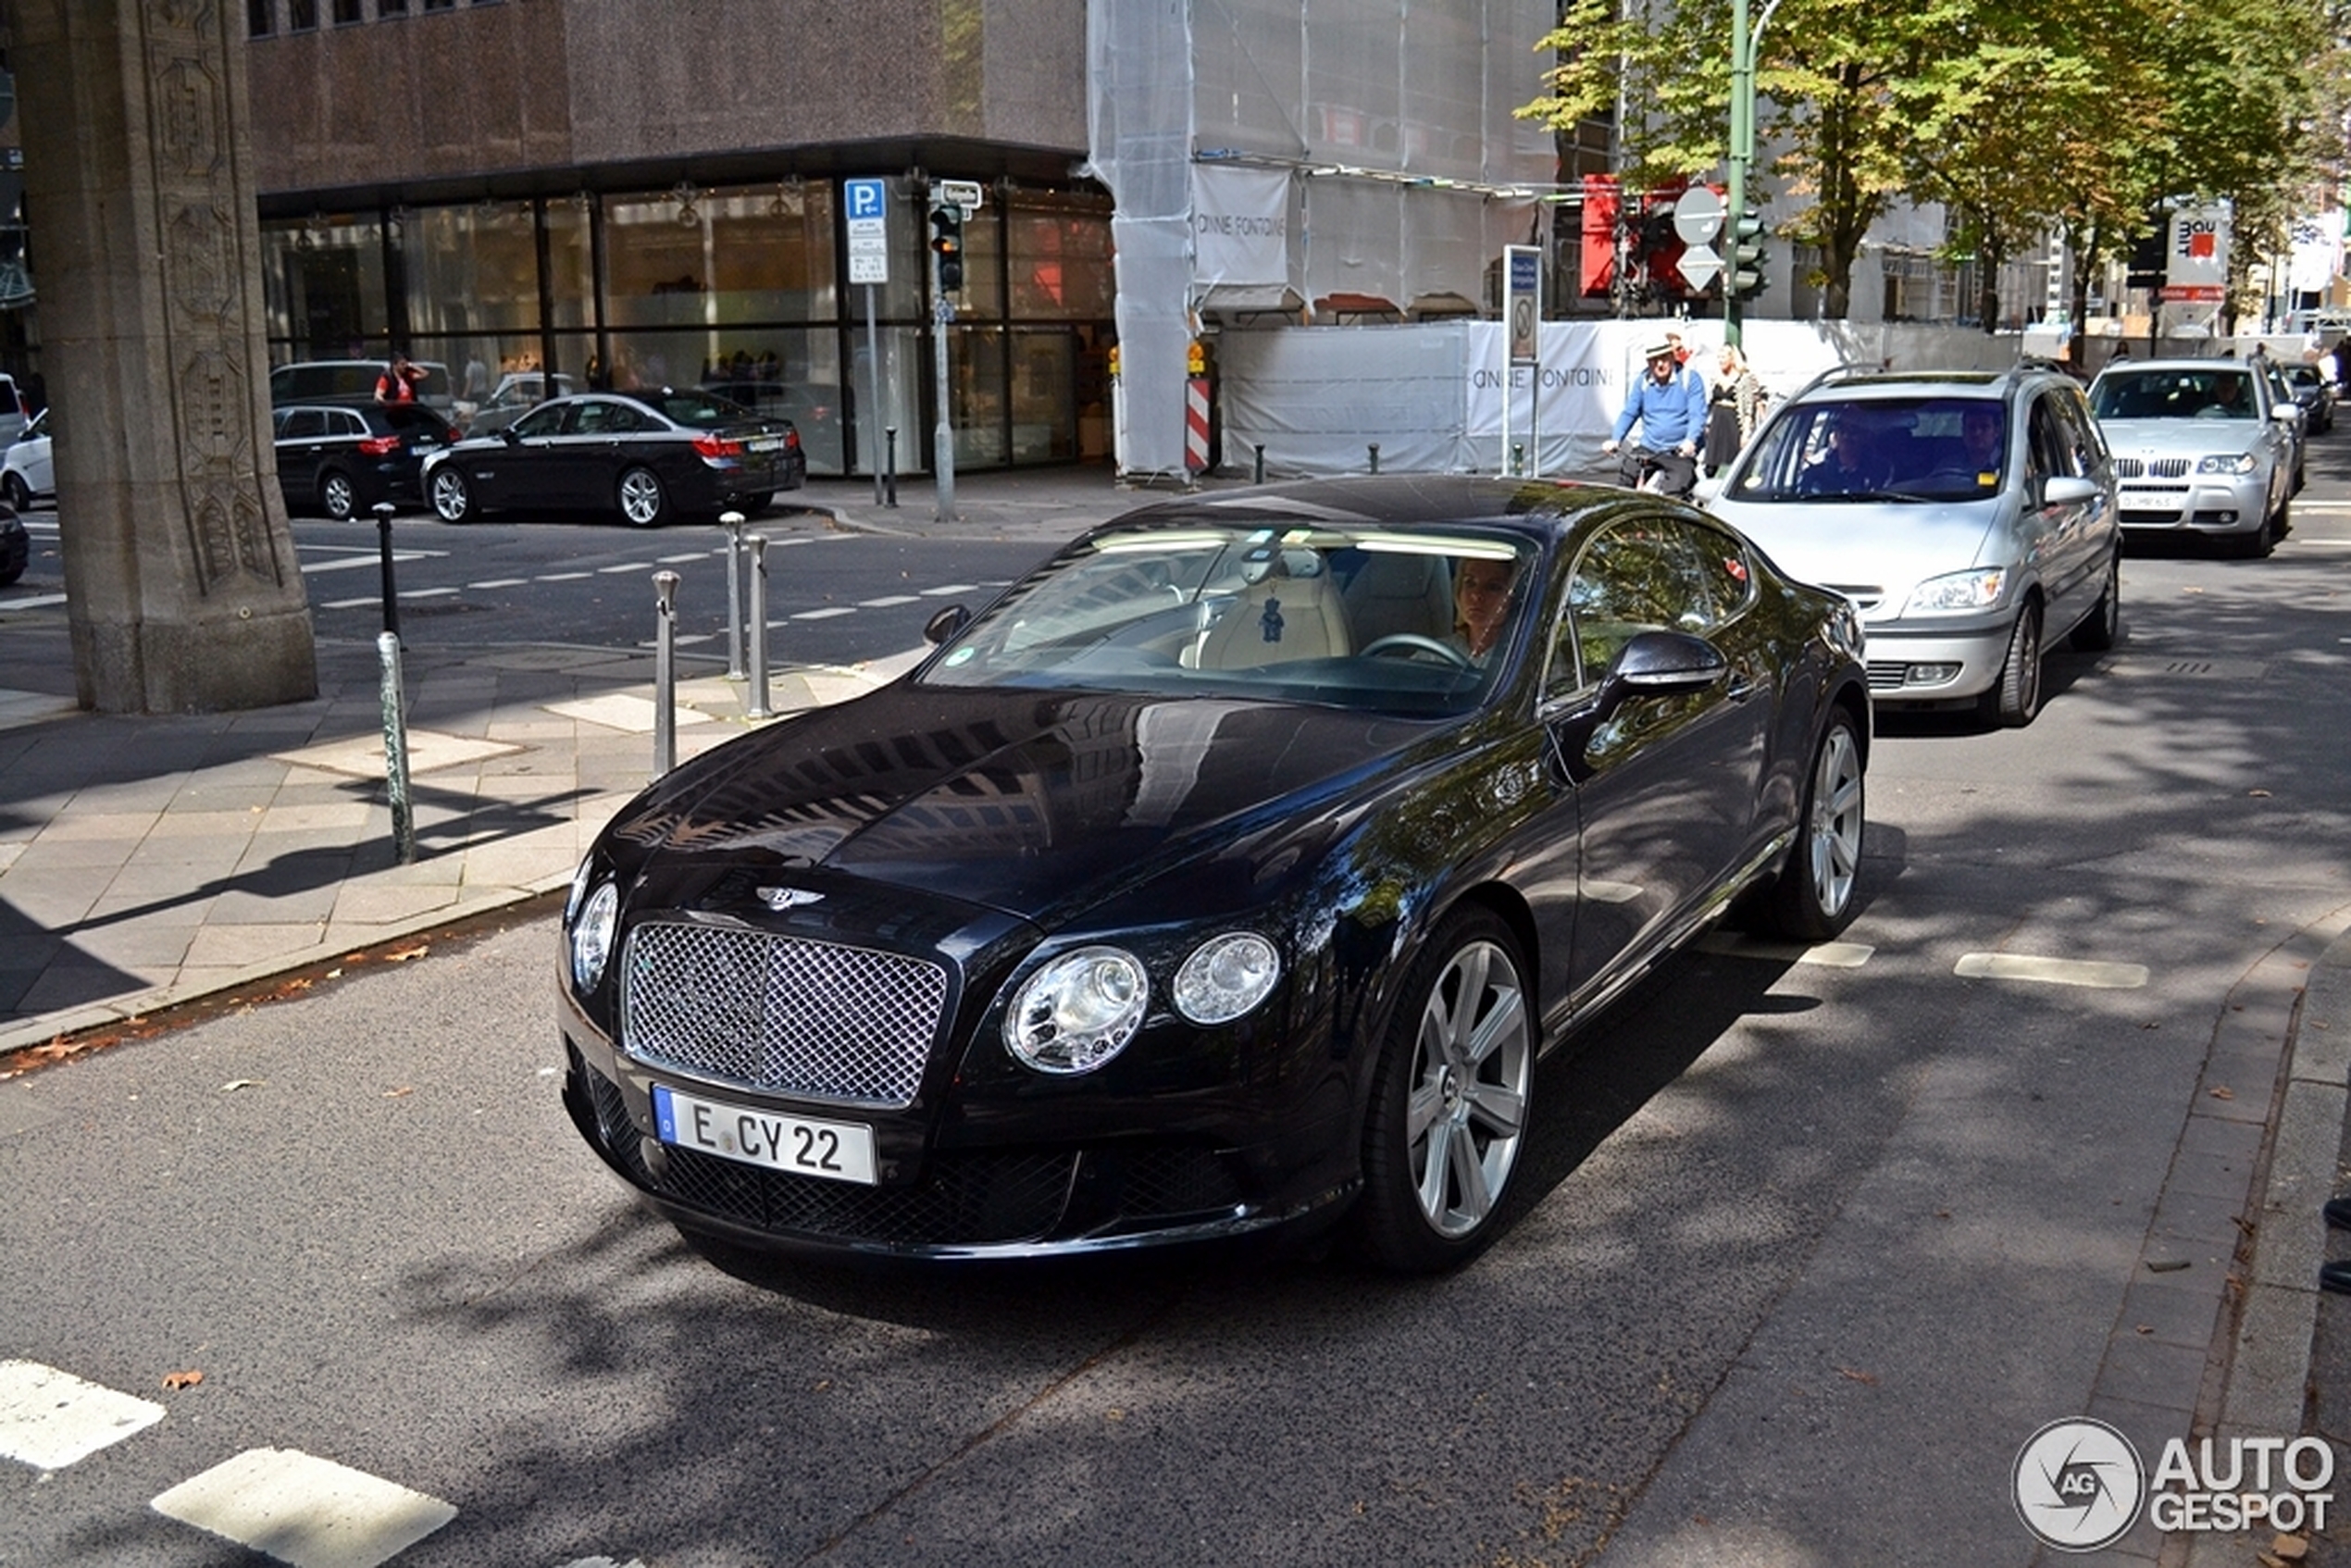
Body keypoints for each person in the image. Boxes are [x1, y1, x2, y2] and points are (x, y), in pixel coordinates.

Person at [1602, 339, 1708, 496]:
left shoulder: (1689, 379)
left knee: (1677, 489)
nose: (1659, 364)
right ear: (1648, 362)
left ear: (1672, 357)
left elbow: (1697, 414)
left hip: (1677, 451)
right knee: (1625, 480)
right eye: (1653, 360)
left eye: (1664, 358)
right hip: (1649, 448)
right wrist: (1616, 439)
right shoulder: (1643, 382)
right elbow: (1630, 412)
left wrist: (1690, 441)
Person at [1704, 345, 1768, 475]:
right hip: (1717, 421)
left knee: (1735, 461)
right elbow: (1710, 402)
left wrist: (1746, 431)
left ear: (1732, 359)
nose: (1720, 360)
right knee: (1711, 464)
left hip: (1733, 421)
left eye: (1723, 357)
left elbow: (1748, 407)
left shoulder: (1744, 379)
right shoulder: (1715, 379)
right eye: (1719, 357)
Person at [1445, 555, 1517, 664]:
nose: (1476, 595)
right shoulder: (1435, 654)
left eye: (1492, 587)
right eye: (1470, 583)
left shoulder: (1521, 658)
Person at [1798, 411, 1885, 495]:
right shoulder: (1814, 476)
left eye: (1853, 431)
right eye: (1842, 430)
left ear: (1865, 436)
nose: (1846, 436)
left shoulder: (1881, 472)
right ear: (1835, 435)